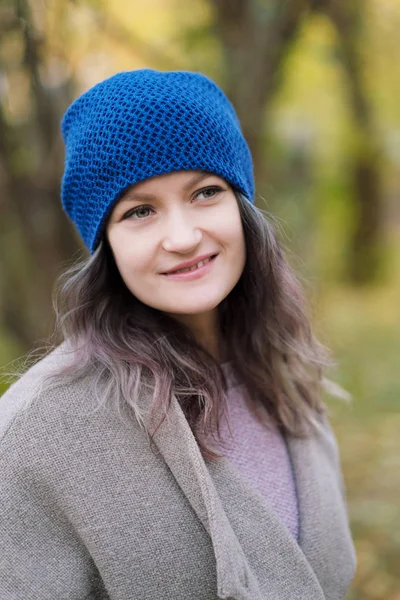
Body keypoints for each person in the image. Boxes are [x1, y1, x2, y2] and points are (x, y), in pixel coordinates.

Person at [0, 69, 355, 600]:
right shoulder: (37, 435)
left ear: (242, 208)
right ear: (106, 245)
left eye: (205, 192)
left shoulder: (289, 378)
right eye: (140, 211)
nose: (185, 237)